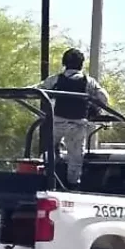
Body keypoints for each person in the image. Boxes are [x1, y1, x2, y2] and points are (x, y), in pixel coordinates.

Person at [34, 48, 110, 186]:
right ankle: (72, 185)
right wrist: (95, 109)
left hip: (58, 122)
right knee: (75, 158)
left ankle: (45, 177)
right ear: (81, 64)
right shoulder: (89, 81)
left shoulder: (56, 79)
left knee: (49, 150)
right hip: (78, 124)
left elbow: (38, 89)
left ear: (64, 63)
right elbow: (103, 97)